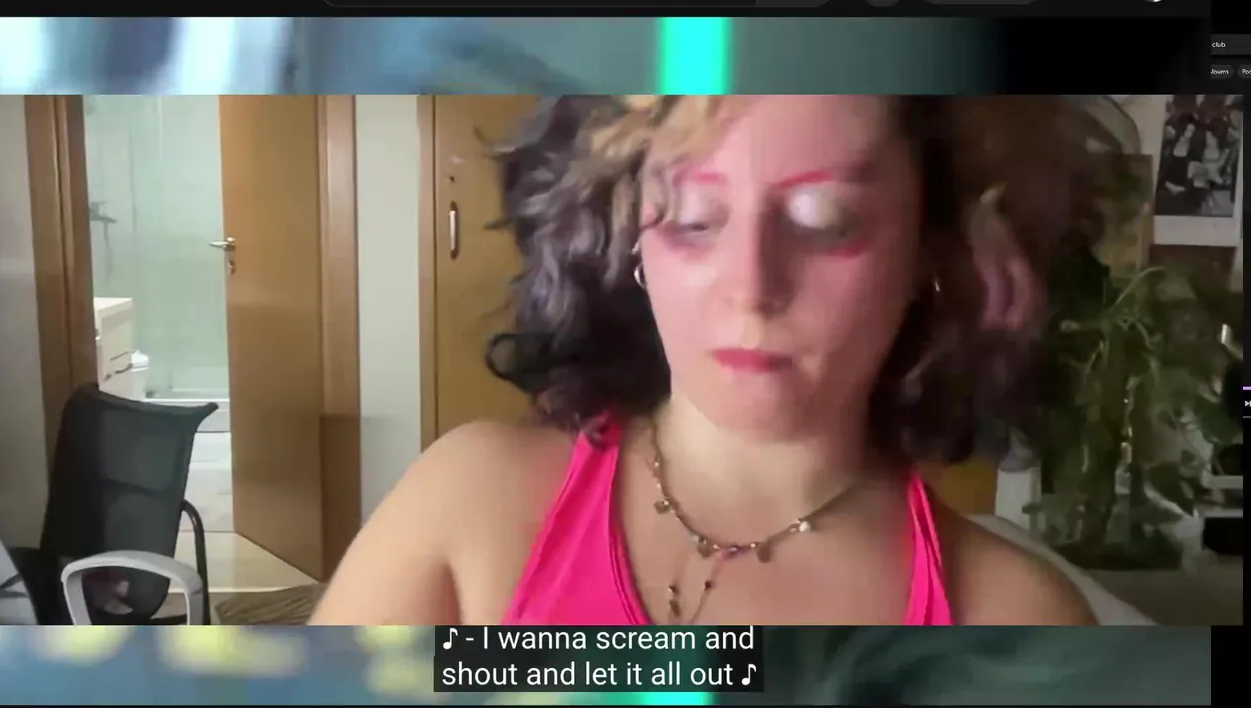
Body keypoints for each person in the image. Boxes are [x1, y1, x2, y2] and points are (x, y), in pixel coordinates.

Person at [314, 95, 1124, 627]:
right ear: (631, 241)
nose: (751, 287)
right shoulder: (469, 509)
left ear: (930, 250)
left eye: (825, 220)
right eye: (695, 219)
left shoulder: (1020, 619)